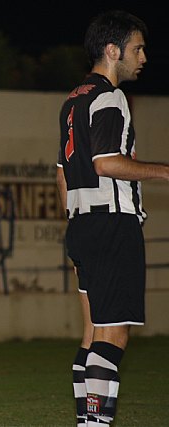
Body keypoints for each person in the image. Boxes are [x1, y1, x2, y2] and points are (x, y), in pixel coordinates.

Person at [56, 10, 169, 427]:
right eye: (137, 49)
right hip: (111, 223)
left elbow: (61, 173)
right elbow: (106, 163)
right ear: (112, 50)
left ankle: (87, 422)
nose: (143, 57)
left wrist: (77, 222)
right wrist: (164, 171)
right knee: (113, 336)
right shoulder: (109, 97)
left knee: (92, 335)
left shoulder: (73, 101)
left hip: (82, 226)